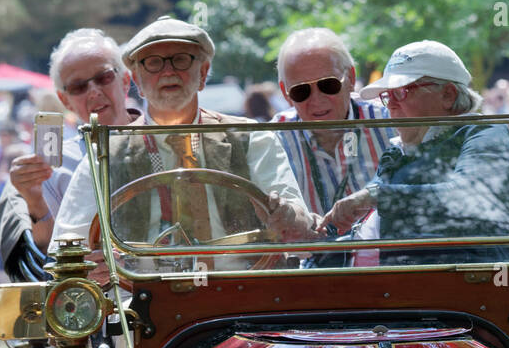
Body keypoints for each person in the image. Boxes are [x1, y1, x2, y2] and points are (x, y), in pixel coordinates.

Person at [53, 16, 314, 261]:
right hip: (137, 300)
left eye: (180, 60)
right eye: (153, 63)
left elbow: (300, 225)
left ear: (203, 73)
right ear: (137, 82)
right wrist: (91, 263)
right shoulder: (106, 154)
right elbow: (65, 246)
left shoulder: (250, 138)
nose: (168, 72)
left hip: (244, 294)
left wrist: (287, 217)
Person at [321, 40, 509, 265]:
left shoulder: (485, 133)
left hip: (465, 288)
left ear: (448, 95)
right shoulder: (399, 150)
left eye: (401, 92)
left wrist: (374, 196)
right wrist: (319, 234)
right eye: (387, 96)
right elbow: (369, 225)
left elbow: (469, 197)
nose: (390, 105)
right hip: (397, 288)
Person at [0, 28, 139, 278]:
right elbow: (47, 257)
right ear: (65, 100)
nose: (93, 91)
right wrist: (34, 199)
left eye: (103, 77)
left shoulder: (162, 141)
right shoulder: (52, 166)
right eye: (79, 86)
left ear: (125, 80)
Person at [273, 28, 393, 216]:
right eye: (301, 91)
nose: (316, 100)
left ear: (351, 78)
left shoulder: (390, 121)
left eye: (328, 85)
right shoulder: (273, 141)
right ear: (285, 93)